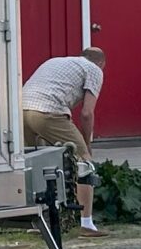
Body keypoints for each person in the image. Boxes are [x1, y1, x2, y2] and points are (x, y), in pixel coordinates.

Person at [21, 45, 106, 233]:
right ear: (101, 63)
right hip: (48, 111)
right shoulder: (94, 70)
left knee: (39, 166)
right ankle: (87, 224)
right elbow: (86, 113)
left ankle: (40, 221)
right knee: (83, 164)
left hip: (22, 110)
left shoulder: (56, 61)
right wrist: (87, 145)